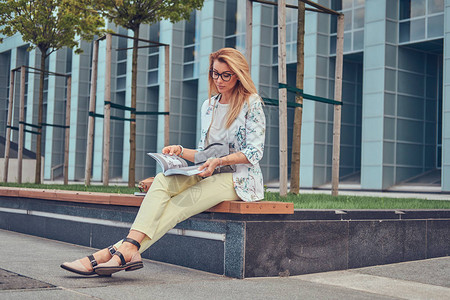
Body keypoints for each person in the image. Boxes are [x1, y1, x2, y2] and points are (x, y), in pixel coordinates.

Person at [61, 47, 266, 276]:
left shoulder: (251, 103)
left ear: (238, 74)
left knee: (180, 203)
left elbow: (254, 152)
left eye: (225, 75)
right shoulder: (209, 106)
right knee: (161, 180)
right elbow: (204, 153)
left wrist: (219, 162)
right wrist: (179, 151)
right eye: (214, 73)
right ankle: (128, 251)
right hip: (207, 169)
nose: (218, 80)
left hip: (239, 179)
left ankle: (107, 254)